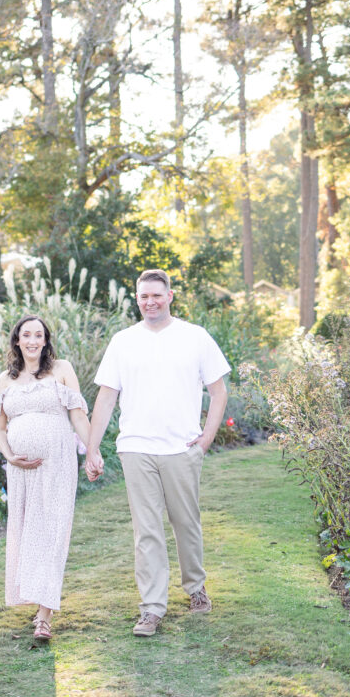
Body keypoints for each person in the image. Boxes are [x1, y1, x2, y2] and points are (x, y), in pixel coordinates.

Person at [85, 269, 230, 637]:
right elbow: (106, 397)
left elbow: (218, 392)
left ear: (170, 296)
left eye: (156, 295)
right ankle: (151, 608)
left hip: (181, 448)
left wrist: (206, 438)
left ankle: (195, 588)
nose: (150, 302)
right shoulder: (123, 341)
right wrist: (92, 447)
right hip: (136, 448)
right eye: (143, 296)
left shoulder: (194, 337)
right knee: (146, 530)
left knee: (186, 523)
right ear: (137, 299)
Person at [0, 314, 91, 642]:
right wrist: (8, 454)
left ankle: (45, 615)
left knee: (53, 531)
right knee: (28, 533)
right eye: (26, 335)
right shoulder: (5, 379)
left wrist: (93, 451)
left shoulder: (62, 370)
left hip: (57, 463)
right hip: (20, 470)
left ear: (46, 340)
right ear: (17, 341)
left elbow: (77, 415)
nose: (32, 341)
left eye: (39, 335)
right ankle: (37, 599)